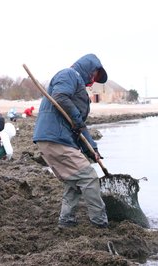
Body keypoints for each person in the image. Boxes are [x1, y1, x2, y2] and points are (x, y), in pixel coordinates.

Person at [33, 53, 109, 228]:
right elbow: (60, 97)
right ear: (89, 68)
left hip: (58, 139)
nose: (93, 80)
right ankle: (100, 222)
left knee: (73, 180)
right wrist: (76, 118)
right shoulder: (68, 74)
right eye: (94, 75)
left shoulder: (78, 85)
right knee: (88, 176)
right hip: (55, 138)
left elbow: (79, 127)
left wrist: (93, 149)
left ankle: (66, 220)